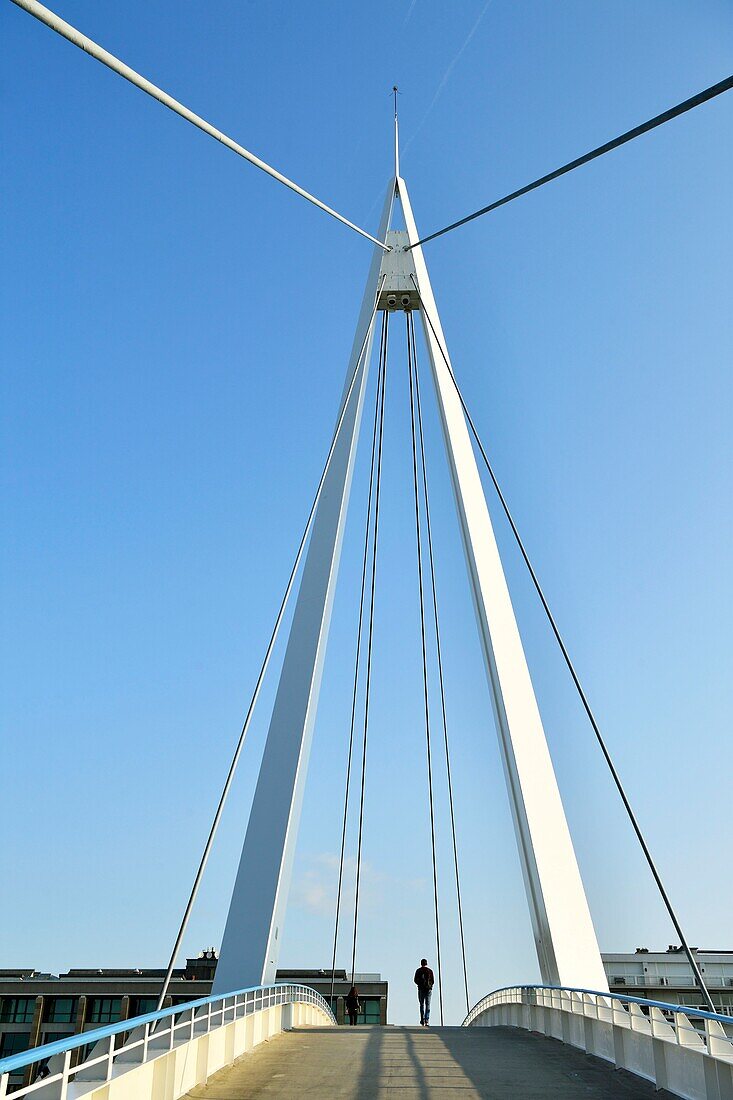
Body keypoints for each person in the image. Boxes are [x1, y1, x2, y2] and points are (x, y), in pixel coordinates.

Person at [414, 958, 435, 1026]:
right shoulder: (430, 971)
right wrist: (430, 986)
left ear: (421, 964)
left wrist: (420, 984)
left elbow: (415, 980)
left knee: (421, 1004)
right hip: (428, 989)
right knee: (428, 1005)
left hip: (421, 989)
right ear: (426, 963)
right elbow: (433, 981)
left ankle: (422, 1020)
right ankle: (427, 1020)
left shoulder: (418, 971)